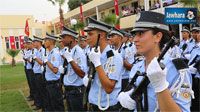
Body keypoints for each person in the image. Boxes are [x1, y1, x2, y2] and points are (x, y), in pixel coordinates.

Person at [117, 11, 192, 111]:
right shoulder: (136, 67)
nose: (135, 39)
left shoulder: (177, 70)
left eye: (140, 33)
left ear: (157, 36)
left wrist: (161, 87)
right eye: (134, 34)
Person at [84, 17, 123, 111]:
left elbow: (109, 88)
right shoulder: (95, 54)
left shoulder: (114, 57)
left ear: (100, 35)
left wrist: (97, 64)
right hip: (94, 103)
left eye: (90, 34)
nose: (87, 37)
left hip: (107, 107)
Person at [60, 26, 87, 111]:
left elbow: (82, 73)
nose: (62, 40)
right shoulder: (70, 51)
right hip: (69, 90)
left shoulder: (78, 52)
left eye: (64, 37)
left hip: (76, 91)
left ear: (71, 38)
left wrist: (70, 60)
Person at [43, 33, 64, 111]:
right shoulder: (50, 52)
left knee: (57, 105)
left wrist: (46, 61)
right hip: (50, 83)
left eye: (46, 40)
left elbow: (55, 70)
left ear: (51, 41)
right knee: (52, 104)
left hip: (54, 83)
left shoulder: (55, 53)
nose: (44, 42)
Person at [32, 35, 46, 110]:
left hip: (40, 74)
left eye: (35, 42)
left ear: (39, 42)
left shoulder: (43, 51)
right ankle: (40, 104)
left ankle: (44, 107)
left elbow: (43, 63)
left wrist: (35, 58)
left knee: (42, 91)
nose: (33, 43)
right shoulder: (37, 51)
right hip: (36, 73)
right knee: (38, 90)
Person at [188, 26, 200, 111]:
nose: (194, 34)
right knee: (194, 98)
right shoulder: (193, 45)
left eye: (197, 32)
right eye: (193, 32)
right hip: (192, 75)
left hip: (198, 76)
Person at [23, 38, 37, 106]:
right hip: (29, 69)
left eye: (28, 43)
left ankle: (36, 100)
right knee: (31, 84)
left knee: (35, 86)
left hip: (32, 70)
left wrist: (26, 58)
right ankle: (35, 99)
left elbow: (32, 62)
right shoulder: (29, 51)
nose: (27, 45)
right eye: (27, 43)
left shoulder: (34, 51)